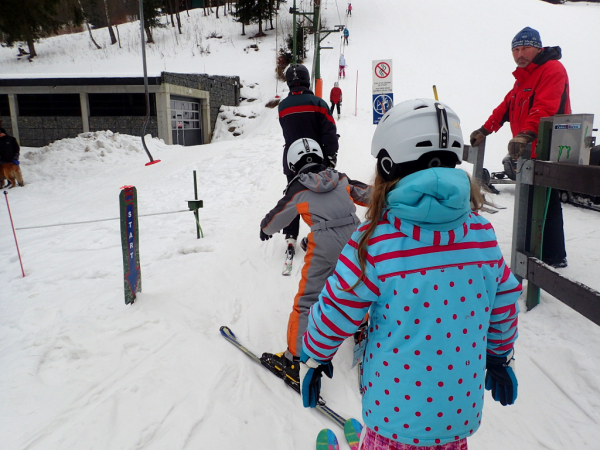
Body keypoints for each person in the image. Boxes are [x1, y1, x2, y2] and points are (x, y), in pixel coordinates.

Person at [299, 99, 522, 449]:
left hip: (393, 414)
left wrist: (315, 355)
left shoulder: (374, 240)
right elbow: (504, 299)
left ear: (387, 166)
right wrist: (499, 355)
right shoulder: (480, 233)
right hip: (457, 415)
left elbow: (338, 306)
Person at [259, 137, 370, 383]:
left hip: (324, 244)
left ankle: (294, 361)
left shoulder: (299, 188)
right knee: (355, 285)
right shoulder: (340, 178)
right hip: (355, 240)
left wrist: (265, 229)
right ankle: (362, 328)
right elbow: (369, 194)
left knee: (307, 301)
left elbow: (278, 217)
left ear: (292, 164)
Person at [469, 27, 570, 268]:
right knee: (530, 205)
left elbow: (545, 106)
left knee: (545, 204)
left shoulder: (552, 69)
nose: (519, 54)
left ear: (538, 48)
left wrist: (526, 133)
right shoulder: (523, 79)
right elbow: (505, 107)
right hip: (527, 153)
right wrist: (485, 129)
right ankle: (532, 254)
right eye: (515, 50)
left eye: (525, 48)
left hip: (546, 150)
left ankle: (552, 258)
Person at [278, 64, 340, 255]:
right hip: (317, 159)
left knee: (293, 196)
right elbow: (329, 132)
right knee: (322, 197)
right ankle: (322, 234)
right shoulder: (318, 103)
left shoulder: (283, 107)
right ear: (307, 80)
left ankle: (290, 236)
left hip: (292, 160)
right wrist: (331, 156)